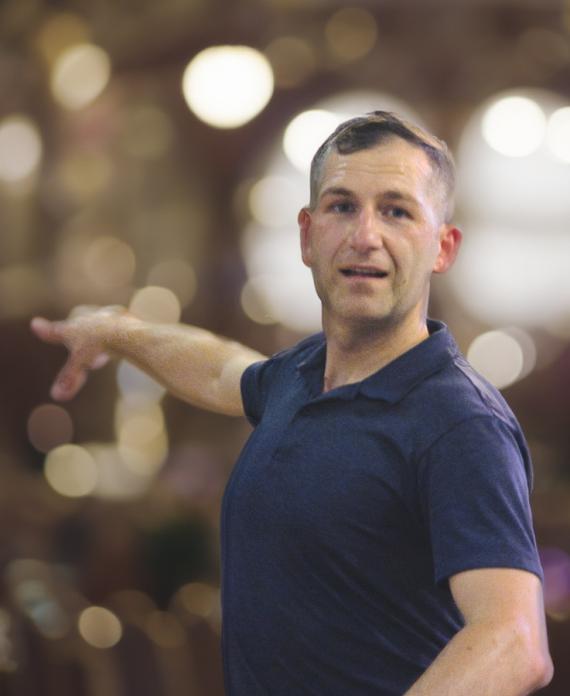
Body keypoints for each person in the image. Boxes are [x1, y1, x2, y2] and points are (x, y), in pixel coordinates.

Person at [31, 111, 553, 695]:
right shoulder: (301, 375)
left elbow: (515, 642)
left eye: (397, 211)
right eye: (342, 206)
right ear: (307, 236)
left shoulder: (459, 421)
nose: (365, 236)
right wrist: (118, 331)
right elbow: (221, 369)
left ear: (443, 247)